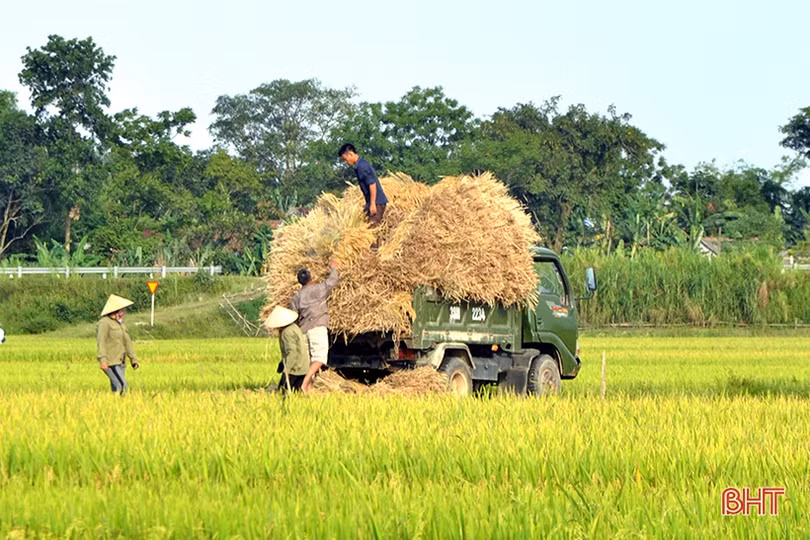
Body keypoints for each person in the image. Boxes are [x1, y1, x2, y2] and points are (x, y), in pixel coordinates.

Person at [290, 261, 340, 392]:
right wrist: (333, 268)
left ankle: (309, 389)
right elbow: (332, 281)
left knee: (308, 360)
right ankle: (305, 383)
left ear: (299, 282)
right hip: (318, 326)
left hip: (304, 330)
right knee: (319, 358)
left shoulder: (297, 296)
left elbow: (293, 315)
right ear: (311, 278)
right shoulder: (318, 289)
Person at [97, 294, 139, 394]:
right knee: (122, 386)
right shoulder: (104, 323)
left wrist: (133, 359)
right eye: (122, 310)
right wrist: (103, 360)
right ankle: (118, 405)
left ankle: (118, 406)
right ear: (115, 310)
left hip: (121, 361)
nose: (124, 313)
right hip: (111, 362)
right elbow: (101, 342)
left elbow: (127, 342)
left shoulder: (120, 324)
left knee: (118, 389)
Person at [338, 143, 388, 227]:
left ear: (350, 154)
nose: (345, 162)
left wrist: (372, 204)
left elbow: (372, 184)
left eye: (345, 159)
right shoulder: (360, 165)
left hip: (377, 202)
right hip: (375, 202)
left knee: (371, 230)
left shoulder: (362, 166)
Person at [264, 305, 309, 392]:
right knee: (296, 393)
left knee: (283, 392)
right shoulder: (294, 327)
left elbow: (292, 352)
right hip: (303, 367)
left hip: (294, 369)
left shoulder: (286, 332)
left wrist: (286, 369)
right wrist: (282, 362)